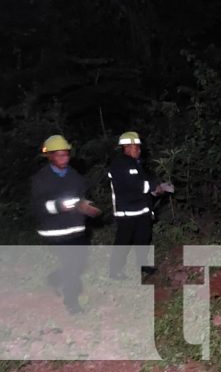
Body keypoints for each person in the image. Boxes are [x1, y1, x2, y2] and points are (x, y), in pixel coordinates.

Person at [30, 134, 101, 314]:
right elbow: (38, 207)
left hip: (76, 228)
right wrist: (58, 206)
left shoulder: (75, 177)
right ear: (50, 156)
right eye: (59, 155)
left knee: (78, 264)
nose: (64, 158)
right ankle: (72, 302)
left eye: (66, 154)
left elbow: (80, 200)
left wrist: (87, 208)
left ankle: (55, 278)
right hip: (55, 231)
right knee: (71, 265)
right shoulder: (41, 179)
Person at [108, 131, 173, 279]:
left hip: (142, 210)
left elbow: (146, 179)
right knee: (123, 242)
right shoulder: (119, 165)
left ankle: (143, 264)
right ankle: (115, 270)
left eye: (138, 147)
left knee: (143, 238)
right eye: (136, 147)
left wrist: (158, 186)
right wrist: (152, 187)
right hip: (126, 212)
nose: (139, 149)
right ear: (127, 147)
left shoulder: (137, 164)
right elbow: (131, 185)